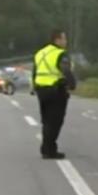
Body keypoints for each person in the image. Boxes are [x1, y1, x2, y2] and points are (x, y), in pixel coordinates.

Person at [33, 30, 76, 159]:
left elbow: (35, 72)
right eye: (64, 39)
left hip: (41, 90)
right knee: (56, 121)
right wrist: (72, 84)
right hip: (56, 91)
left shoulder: (40, 53)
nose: (66, 41)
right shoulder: (60, 54)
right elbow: (66, 70)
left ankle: (46, 148)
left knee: (46, 121)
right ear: (57, 40)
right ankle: (49, 150)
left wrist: (34, 86)